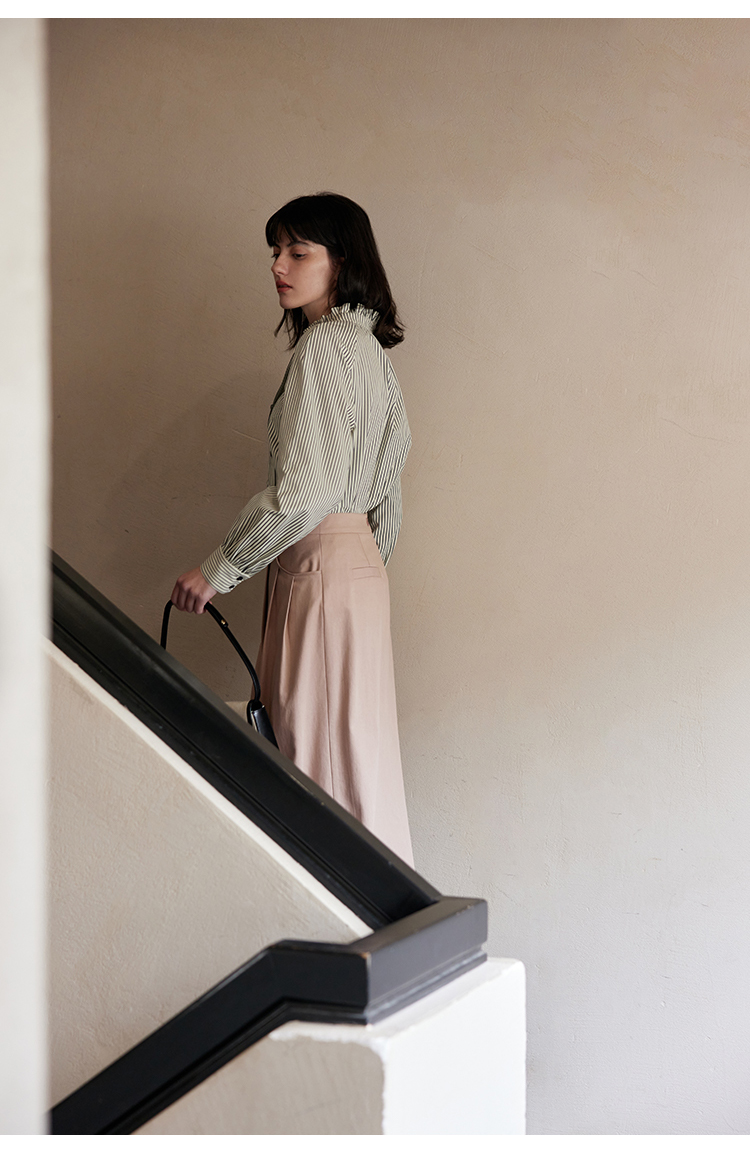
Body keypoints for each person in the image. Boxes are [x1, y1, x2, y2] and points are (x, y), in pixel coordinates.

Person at [170, 192, 413, 865]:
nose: (278, 265)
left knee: (312, 764)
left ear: (343, 263)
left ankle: (332, 912)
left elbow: (305, 493)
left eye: (298, 252)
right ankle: (382, 905)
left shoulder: (325, 348)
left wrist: (219, 569)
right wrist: (357, 561)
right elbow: (390, 482)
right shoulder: (369, 353)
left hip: (322, 566)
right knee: (356, 757)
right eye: (275, 251)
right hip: (355, 570)